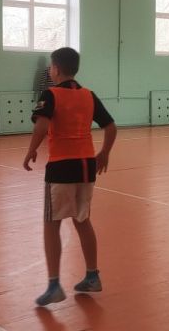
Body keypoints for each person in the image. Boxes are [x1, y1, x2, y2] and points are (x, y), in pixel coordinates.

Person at [23, 47, 117, 306]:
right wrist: (104, 153)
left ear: (56, 69)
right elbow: (111, 127)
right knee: (82, 219)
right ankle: (92, 276)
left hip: (61, 166)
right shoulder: (89, 95)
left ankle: (54, 285)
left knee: (51, 223)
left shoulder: (51, 94)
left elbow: (42, 125)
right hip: (86, 166)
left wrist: (31, 150)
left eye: (51, 66)